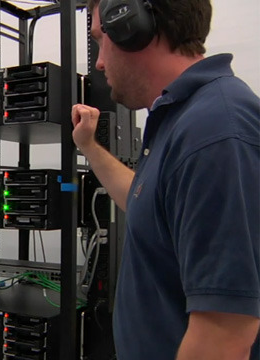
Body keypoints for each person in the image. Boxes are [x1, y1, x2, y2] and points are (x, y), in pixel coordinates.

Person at [72, 0, 260, 359]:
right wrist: (89, 147)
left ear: (133, 26)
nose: (97, 62)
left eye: (101, 39)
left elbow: (224, 333)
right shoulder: (184, 117)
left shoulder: (216, 132)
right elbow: (146, 202)